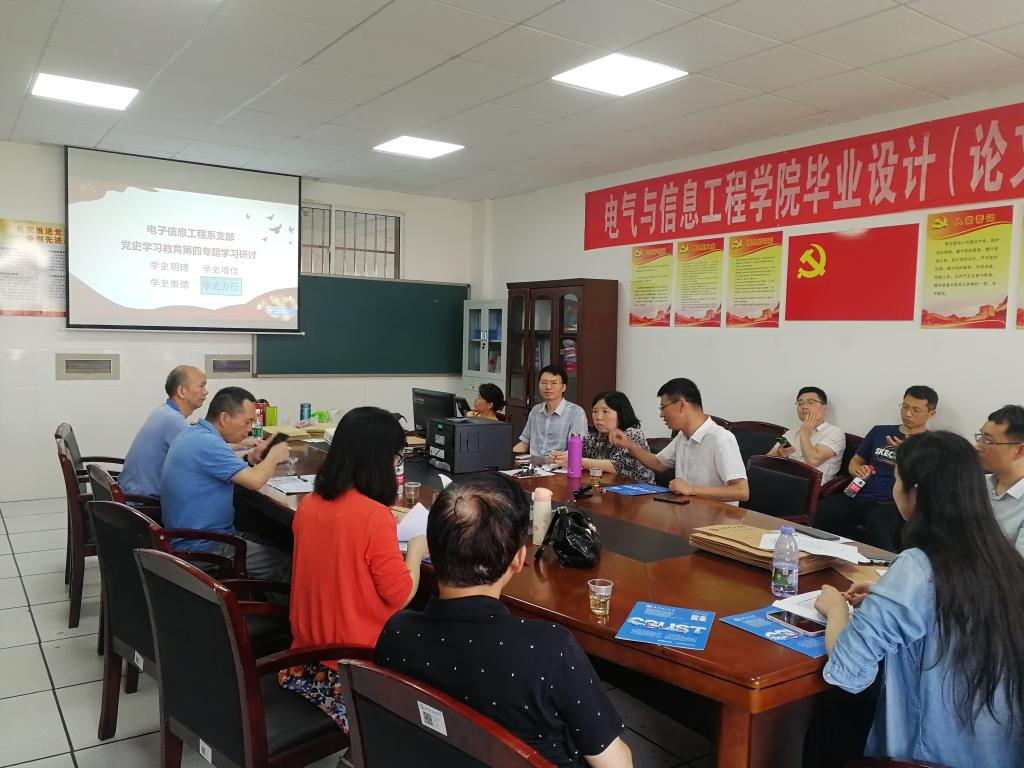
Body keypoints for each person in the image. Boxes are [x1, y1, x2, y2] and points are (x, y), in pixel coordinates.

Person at [376, 475, 632, 768]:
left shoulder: (396, 632)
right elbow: (615, 764)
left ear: (430, 549)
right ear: (518, 559)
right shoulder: (549, 649)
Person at [814, 431, 1024, 766]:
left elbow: (848, 670)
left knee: (829, 718)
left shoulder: (917, 567)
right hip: (998, 753)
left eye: (897, 480)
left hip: (929, 756)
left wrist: (836, 609)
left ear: (916, 493)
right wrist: (884, 595)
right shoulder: (1002, 558)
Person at [278, 406, 428, 731]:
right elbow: (400, 595)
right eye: (395, 457)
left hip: (301, 659)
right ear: (378, 460)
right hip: (351, 670)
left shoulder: (309, 504)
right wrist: (416, 549)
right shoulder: (374, 516)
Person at [160, 386, 291, 582]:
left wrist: (250, 458)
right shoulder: (208, 443)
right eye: (247, 422)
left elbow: (220, 463)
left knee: (277, 541)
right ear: (224, 418)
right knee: (290, 565)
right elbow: (254, 481)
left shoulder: (195, 433)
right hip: (205, 547)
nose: (249, 429)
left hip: (191, 537)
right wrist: (274, 455)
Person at [815, 386, 937, 551]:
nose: (908, 414)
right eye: (905, 407)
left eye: (916, 410)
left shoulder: (932, 444)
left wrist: (906, 455)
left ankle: (883, 565)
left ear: (931, 414)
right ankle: (820, 556)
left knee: (878, 520)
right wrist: (858, 470)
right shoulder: (879, 431)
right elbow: (855, 461)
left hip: (894, 503)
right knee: (823, 509)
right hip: (861, 495)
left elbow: (928, 482)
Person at [609, 378, 748, 504]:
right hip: (687, 511)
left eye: (663, 407)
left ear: (681, 404)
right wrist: (630, 445)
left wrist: (691, 489)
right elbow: (659, 463)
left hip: (717, 519)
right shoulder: (682, 436)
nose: (661, 414)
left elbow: (741, 491)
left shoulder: (721, 439)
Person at [118, 365, 208, 497]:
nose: (206, 392)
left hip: (128, 493)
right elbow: (207, 455)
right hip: (142, 502)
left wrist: (237, 446)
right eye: (201, 386)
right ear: (182, 391)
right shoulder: (174, 421)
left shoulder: (164, 411)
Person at [550, 391, 654, 483]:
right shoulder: (596, 436)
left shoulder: (633, 434)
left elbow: (616, 466)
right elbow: (579, 452)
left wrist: (575, 460)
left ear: (621, 413)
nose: (598, 417)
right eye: (595, 411)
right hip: (607, 487)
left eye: (605, 411)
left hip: (639, 491)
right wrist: (560, 456)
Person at [766, 386, 846, 485]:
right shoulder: (791, 432)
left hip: (810, 485)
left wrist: (804, 433)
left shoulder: (834, 432)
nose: (804, 407)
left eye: (811, 402)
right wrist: (779, 453)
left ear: (824, 408)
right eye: (800, 403)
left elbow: (813, 460)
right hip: (783, 478)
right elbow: (766, 460)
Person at [975, 404, 1024, 556]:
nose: (978, 447)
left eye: (988, 441)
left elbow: (1018, 567)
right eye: (980, 437)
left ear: (1020, 450)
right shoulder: (977, 483)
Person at [513, 365, 588, 456]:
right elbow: (524, 442)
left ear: (563, 387)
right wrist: (508, 457)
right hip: (533, 463)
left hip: (558, 463)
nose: (548, 387)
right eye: (544, 382)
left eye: (554, 383)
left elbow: (576, 450)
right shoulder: (535, 411)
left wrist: (557, 458)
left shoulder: (576, 413)